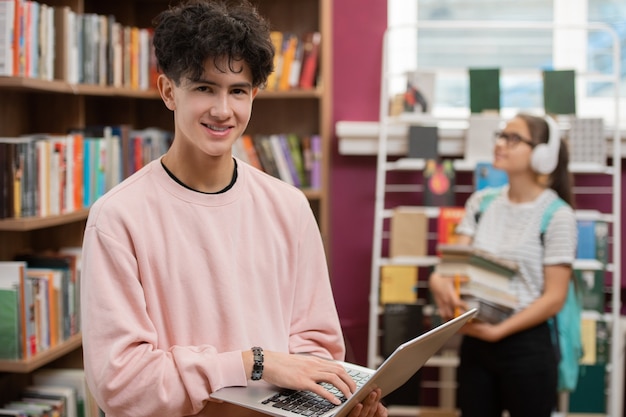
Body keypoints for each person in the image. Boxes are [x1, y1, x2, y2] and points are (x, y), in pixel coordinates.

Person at [79, 1, 388, 416]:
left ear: (253, 95)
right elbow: (122, 385)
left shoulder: (289, 207)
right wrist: (254, 363)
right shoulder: (117, 218)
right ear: (169, 91)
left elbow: (315, 349)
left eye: (238, 91)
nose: (223, 110)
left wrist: (334, 402)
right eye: (204, 87)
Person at [428, 113, 577, 417]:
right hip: (476, 342)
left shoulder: (558, 215)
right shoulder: (480, 203)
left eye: (513, 138)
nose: (500, 144)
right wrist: (437, 281)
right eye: (500, 135)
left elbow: (554, 298)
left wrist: (502, 332)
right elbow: (449, 267)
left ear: (543, 155)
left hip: (527, 347)